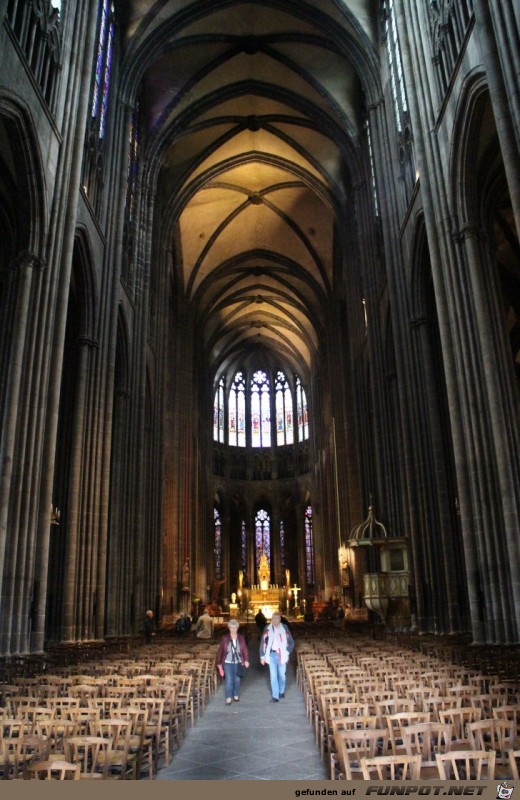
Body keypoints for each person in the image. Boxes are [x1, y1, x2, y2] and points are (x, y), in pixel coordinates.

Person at [259, 610, 295, 702]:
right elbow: (263, 642)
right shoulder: (267, 628)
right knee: (273, 676)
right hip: (271, 655)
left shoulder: (285, 628)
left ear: (280, 619)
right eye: (274, 618)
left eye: (277, 618)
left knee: (282, 675)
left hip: (282, 655)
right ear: (271, 619)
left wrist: (287, 652)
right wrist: (262, 656)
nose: (275, 620)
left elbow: (291, 642)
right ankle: (275, 696)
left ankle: (281, 690)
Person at [216, 619, 249, 704]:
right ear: (229, 628)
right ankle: (228, 697)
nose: (233, 629)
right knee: (229, 680)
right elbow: (221, 650)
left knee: (237, 679)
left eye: (235, 628)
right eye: (231, 628)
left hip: (238, 662)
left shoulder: (241, 638)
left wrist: (246, 660)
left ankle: (236, 694)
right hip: (227, 662)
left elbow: (244, 649)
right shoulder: (225, 638)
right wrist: (219, 663)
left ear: (237, 628)